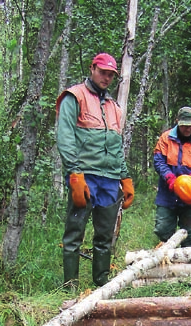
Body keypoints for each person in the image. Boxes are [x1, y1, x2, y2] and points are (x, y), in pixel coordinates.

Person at [56, 52, 134, 290]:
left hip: (110, 179)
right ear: (92, 68)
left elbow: (116, 145)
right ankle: (70, 286)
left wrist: (125, 176)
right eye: (103, 72)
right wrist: (75, 174)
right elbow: (65, 137)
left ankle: (102, 284)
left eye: (111, 75)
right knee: (74, 233)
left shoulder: (114, 107)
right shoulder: (74, 96)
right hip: (85, 176)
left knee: (104, 235)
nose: (106, 78)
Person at [153, 106, 191, 247]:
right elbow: (158, 161)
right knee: (163, 230)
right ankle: (166, 262)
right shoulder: (165, 139)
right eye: (184, 126)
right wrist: (169, 177)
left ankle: (187, 265)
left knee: (189, 234)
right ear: (177, 122)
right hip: (168, 193)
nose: (187, 129)